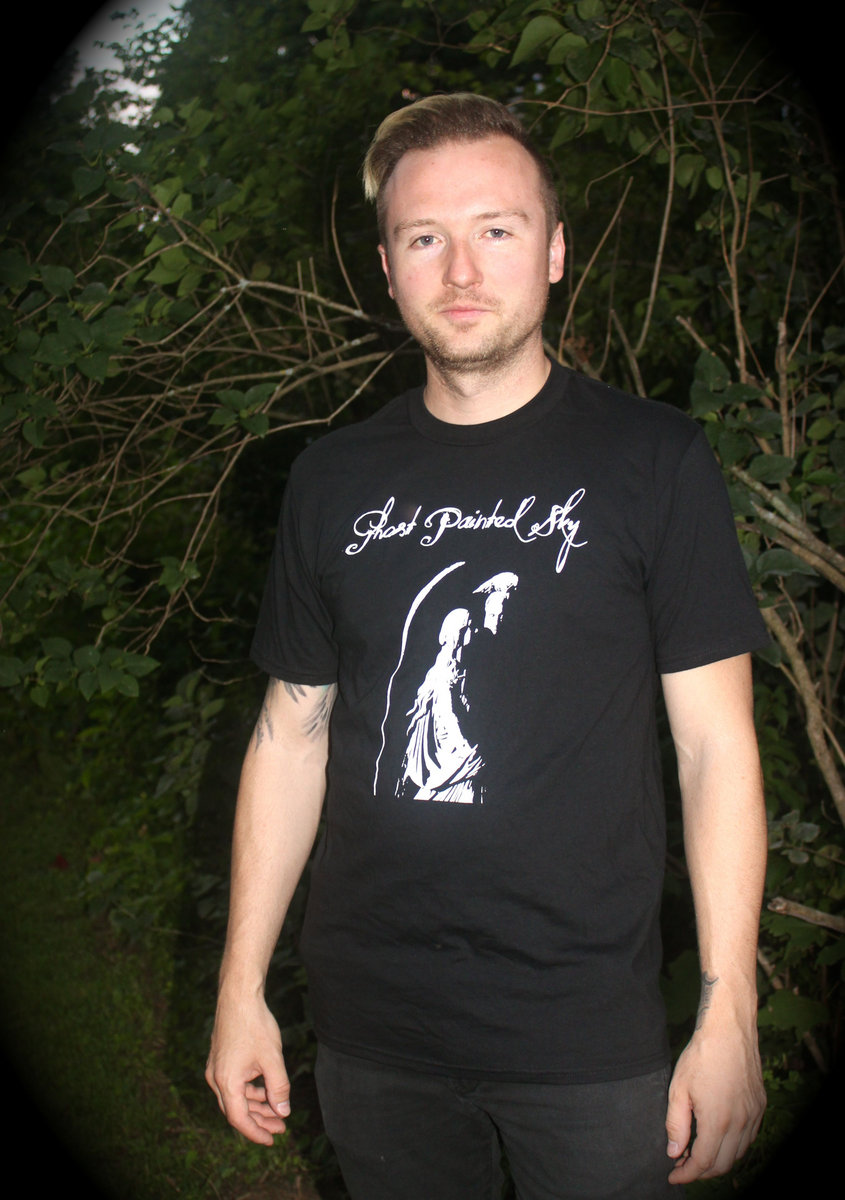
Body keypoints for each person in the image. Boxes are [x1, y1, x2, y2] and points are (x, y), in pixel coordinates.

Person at [205, 93, 769, 1199]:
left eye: (495, 230)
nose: (461, 270)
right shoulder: (330, 479)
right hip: (371, 1028)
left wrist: (729, 1011)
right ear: (387, 269)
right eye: (425, 238)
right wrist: (240, 987)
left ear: (554, 251)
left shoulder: (652, 460)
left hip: (587, 1033)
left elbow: (714, 749)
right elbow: (289, 736)